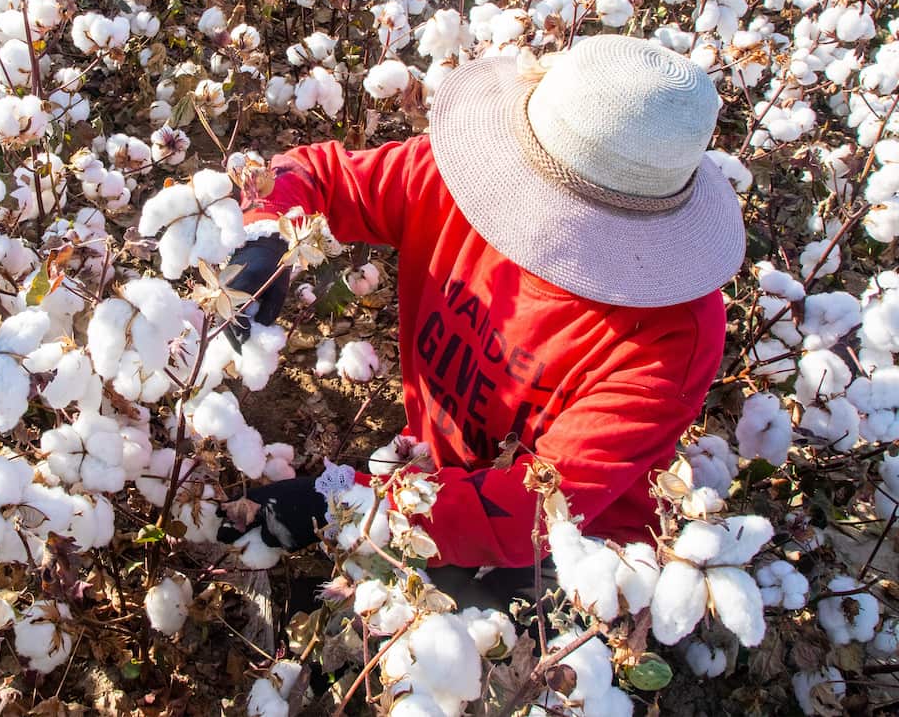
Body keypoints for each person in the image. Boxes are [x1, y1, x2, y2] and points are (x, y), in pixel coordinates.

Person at [216, 35, 745, 608]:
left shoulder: (671, 338)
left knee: (465, 644)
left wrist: (343, 501)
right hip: (436, 471)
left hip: (573, 547)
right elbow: (320, 174)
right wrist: (264, 233)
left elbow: (533, 513)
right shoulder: (460, 181)